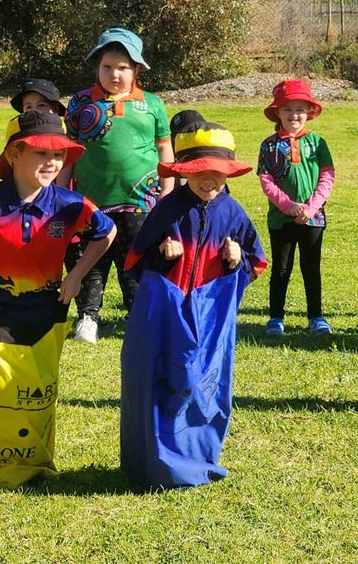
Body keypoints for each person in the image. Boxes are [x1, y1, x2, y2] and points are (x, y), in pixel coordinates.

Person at [0, 110, 116, 487]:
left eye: (58, 155)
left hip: (47, 312)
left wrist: (76, 276)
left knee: (37, 390)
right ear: (14, 154)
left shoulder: (71, 204)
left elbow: (107, 232)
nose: (52, 162)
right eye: (41, 153)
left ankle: (32, 460)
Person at [120, 111, 267, 489]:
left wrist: (236, 261)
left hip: (209, 317)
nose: (208, 178)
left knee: (202, 384)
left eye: (217, 171)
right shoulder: (167, 210)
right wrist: (162, 256)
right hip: (166, 316)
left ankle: (196, 457)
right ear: (184, 171)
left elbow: (256, 262)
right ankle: (153, 461)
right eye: (199, 170)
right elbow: (134, 262)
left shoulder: (233, 214)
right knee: (160, 382)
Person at [59, 27, 175, 343]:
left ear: (137, 69)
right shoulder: (80, 103)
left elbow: (164, 149)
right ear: (97, 67)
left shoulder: (152, 104)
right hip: (90, 201)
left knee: (135, 261)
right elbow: (69, 153)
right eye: (107, 67)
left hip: (141, 201)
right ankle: (87, 318)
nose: (114, 74)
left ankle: (138, 318)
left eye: (123, 67)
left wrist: (168, 191)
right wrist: (62, 193)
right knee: (89, 261)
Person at [257, 79, 335, 336]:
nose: (294, 115)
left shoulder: (318, 143)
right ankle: (275, 318)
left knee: (311, 268)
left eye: (300, 109)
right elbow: (266, 182)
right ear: (277, 112)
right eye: (288, 109)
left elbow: (327, 177)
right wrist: (288, 206)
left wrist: (311, 208)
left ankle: (316, 316)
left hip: (313, 218)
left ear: (309, 112)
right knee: (281, 269)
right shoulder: (268, 146)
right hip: (281, 219)